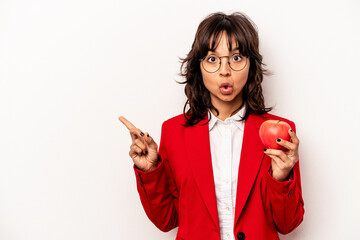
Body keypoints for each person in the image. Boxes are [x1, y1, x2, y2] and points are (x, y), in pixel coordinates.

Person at [119, 11, 304, 240]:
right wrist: (150, 171)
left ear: (251, 65)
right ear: (199, 67)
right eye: (212, 59)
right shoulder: (174, 132)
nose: (224, 71)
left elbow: (287, 225)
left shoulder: (281, 131)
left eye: (236, 58)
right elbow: (167, 221)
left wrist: (282, 177)